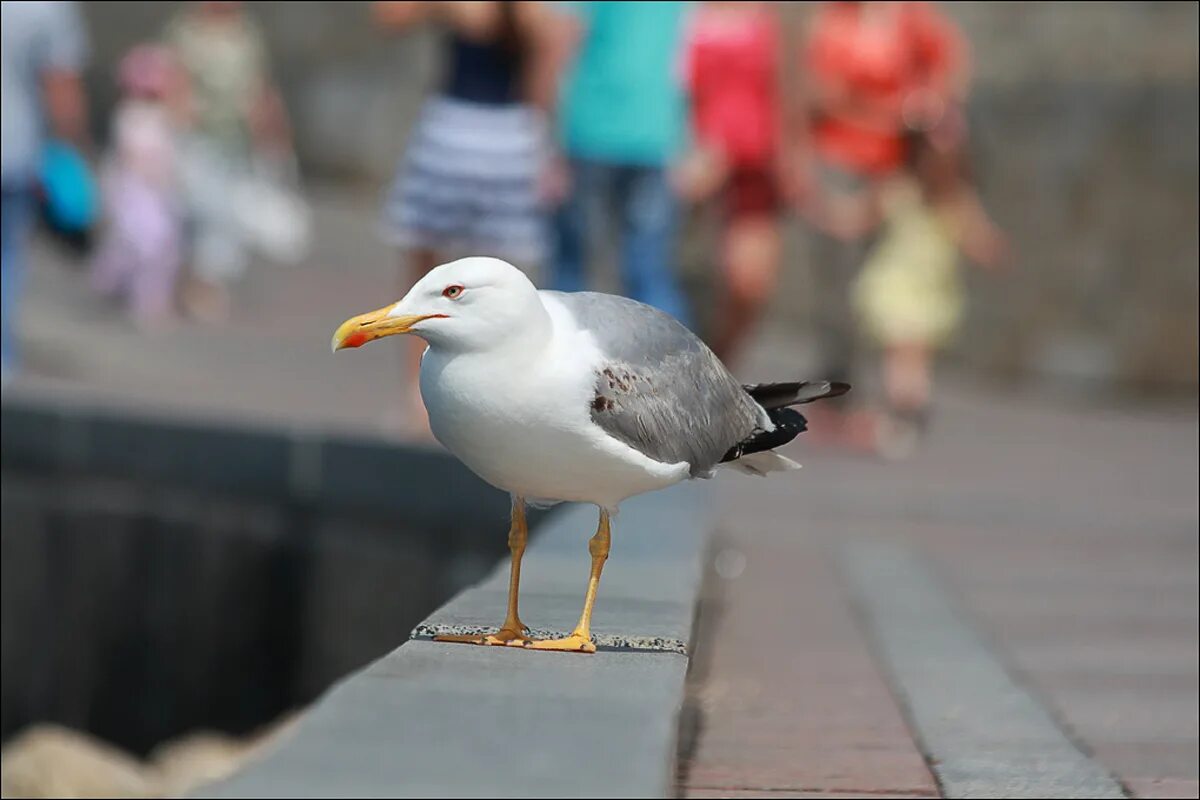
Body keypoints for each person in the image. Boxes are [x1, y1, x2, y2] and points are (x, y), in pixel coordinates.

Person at [374, 1, 563, 437]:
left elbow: (550, 47)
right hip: (474, 127)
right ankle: (420, 398)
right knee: (429, 276)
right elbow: (390, 17)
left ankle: (487, 400)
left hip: (495, 128)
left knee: (496, 282)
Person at [796, 1, 967, 443]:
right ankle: (840, 388)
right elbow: (819, 93)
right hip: (838, 162)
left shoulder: (912, 19)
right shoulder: (836, 20)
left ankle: (874, 393)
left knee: (882, 289)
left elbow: (951, 64)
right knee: (837, 287)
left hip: (890, 170)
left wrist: (930, 105)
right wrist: (888, 110)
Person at [828, 111, 1007, 458]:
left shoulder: (948, 198)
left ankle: (905, 411)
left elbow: (977, 238)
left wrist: (990, 250)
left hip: (922, 291)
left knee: (909, 357)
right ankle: (905, 410)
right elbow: (857, 217)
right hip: (903, 288)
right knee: (905, 357)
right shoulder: (915, 192)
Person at [548, 1, 692, 325]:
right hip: (658, 136)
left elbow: (560, 44)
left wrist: (549, 142)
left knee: (572, 271)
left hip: (588, 134)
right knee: (650, 269)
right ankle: (670, 366)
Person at [166, 1, 298, 323]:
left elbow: (261, 84)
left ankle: (206, 284)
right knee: (197, 207)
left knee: (224, 214)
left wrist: (274, 130)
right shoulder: (187, 29)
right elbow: (174, 77)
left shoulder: (246, 31)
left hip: (235, 138)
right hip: (197, 136)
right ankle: (185, 280)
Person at [676, 1, 784, 365]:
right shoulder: (687, 15)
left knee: (750, 283)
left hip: (755, 169)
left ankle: (720, 367)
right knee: (690, 272)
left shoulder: (768, 16)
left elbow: (787, 90)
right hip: (698, 164)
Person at [1, 0, 90, 386]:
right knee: (6, 257)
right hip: (14, 149)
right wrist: (74, 148)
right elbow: (61, 84)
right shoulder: (46, 8)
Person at [90, 45, 183, 331]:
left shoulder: (163, 116)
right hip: (134, 193)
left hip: (156, 193)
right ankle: (127, 291)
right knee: (139, 244)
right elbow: (130, 154)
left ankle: (149, 301)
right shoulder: (130, 115)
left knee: (159, 247)